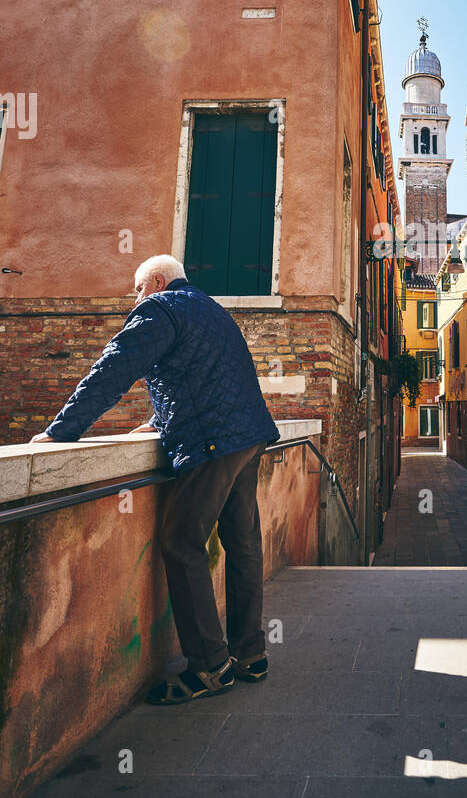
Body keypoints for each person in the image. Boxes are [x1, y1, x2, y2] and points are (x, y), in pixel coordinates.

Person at [30, 254, 281, 705]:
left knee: (182, 542)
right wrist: (161, 418)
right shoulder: (212, 310)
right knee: (243, 544)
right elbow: (204, 373)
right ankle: (250, 656)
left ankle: (209, 668)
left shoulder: (160, 308)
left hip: (212, 444)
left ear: (158, 282)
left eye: (137, 288)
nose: (134, 298)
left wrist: (60, 431)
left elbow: (113, 370)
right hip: (249, 438)